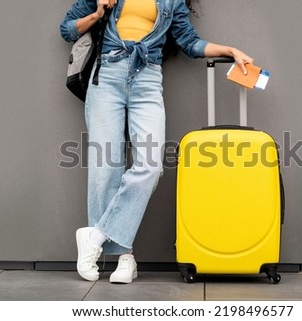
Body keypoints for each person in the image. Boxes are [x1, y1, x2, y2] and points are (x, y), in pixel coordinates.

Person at [60, 0, 253, 284]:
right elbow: (67, 30)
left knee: (150, 166)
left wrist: (229, 50)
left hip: (147, 80)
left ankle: (95, 236)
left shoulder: (172, 2)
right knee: (105, 170)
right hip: (106, 78)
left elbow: (189, 41)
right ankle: (125, 257)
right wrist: (98, 13)